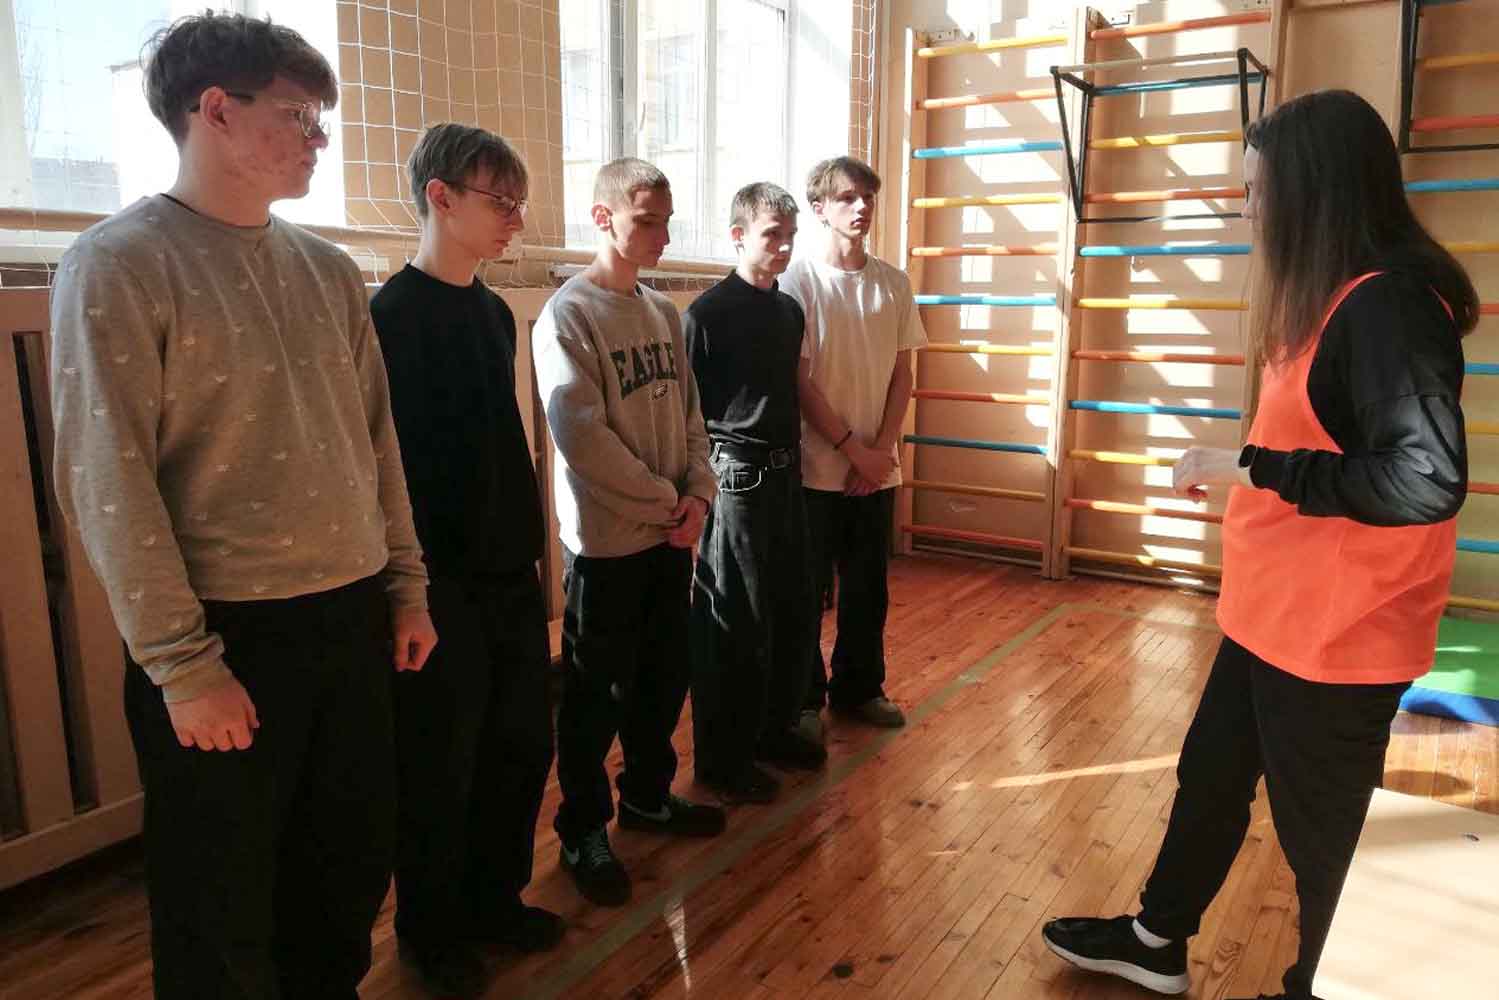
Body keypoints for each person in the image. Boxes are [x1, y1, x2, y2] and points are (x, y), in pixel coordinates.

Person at [1041, 89, 1473, 1000]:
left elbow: (1423, 480)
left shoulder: (1387, 308)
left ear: (1311, 193)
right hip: (1273, 617)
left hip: (1334, 638)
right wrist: (1255, 469)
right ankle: (1156, 939)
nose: (1247, 210)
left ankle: (1320, 985)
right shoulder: (1334, 299)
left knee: (1324, 842)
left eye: (1255, 190)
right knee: (1210, 775)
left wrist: (1252, 466)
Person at [49, 13, 437, 998]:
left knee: (343, 875)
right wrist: (182, 665)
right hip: (227, 636)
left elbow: (375, 444)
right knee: (221, 908)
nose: (319, 138)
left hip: (348, 616)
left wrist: (405, 586)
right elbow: (108, 480)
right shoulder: (118, 261)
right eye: (300, 116)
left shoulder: (326, 270)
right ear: (214, 110)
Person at [370, 123, 561, 997]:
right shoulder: (389, 317)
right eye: (501, 201)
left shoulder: (491, 311)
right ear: (440, 197)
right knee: (439, 763)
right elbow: (389, 467)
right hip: (437, 581)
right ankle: (432, 929)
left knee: (519, 746)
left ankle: (495, 899)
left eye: (520, 203)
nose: (515, 219)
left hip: (507, 571)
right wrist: (406, 588)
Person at [533, 157, 725, 908]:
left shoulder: (662, 313)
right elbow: (582, 437)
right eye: (646, 220)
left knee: (663, 677)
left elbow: (691, 417)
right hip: (609, 546)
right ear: (602, 217)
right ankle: (583, 827)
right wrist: (665, 503)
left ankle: (647, 795)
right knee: (593, 696)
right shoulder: (568, 315)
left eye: (667, 221)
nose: (662, 236)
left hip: (669, 536)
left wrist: (698, 496)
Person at [687, 181, 826, 806]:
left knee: (793, 609)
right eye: (773, 235)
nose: (785, 246)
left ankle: (773, 730)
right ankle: (724, 757)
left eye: (791, 235)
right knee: (736, 621)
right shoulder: (707, 314)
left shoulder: (789, 311)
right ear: (738, 235)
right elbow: (690, 413)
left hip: (787, 475)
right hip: (737, 481)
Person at [780, 155, 927, 740]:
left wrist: (880, 451)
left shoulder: (894, 283)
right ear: (820, 208)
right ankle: (803, 698)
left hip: (874, 468)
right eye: (846, 197)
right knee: (806, 591)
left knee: (868, 589)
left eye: (867, 195)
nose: (861, 206)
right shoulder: (799, 281)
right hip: (818, 468)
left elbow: (902, 374)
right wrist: (851, 450)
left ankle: (860, 688)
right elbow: (800, 381)